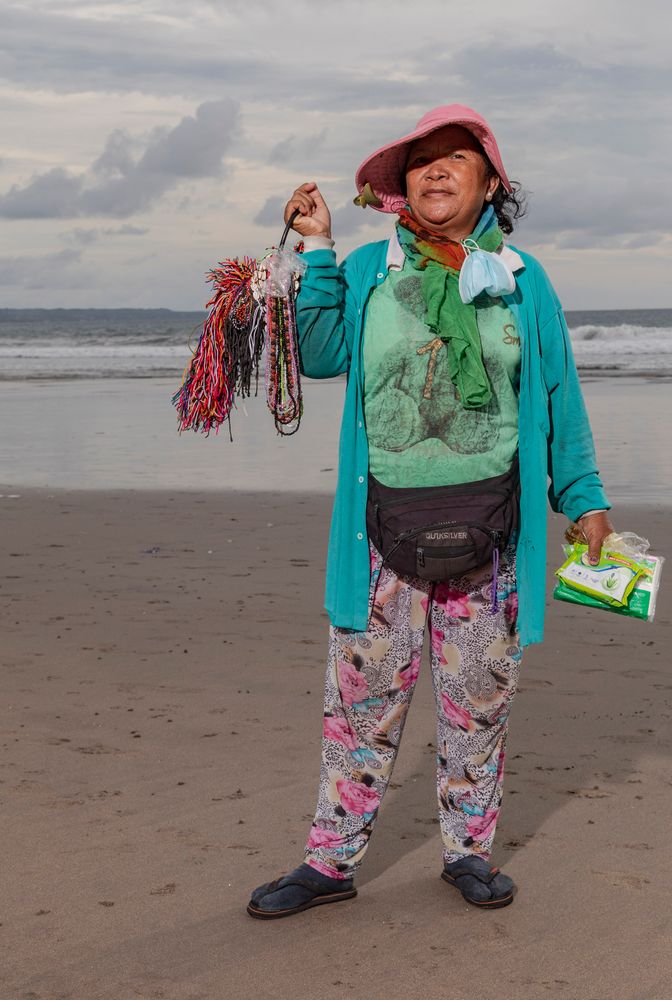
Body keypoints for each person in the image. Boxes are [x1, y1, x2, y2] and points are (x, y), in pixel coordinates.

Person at [247, 105, 612, 918]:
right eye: (421, 162)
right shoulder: (375, 269)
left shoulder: (522, 277)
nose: (436, 170)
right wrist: (318, 248)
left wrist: (583, 499)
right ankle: (329, 863)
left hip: (495, 529)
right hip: (381, 531)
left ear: (491, 183)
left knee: (478, 700)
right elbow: (321, 354)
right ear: (399, 187)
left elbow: (557, 394)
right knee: (361, 704)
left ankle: (469, 853)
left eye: (457, 159)